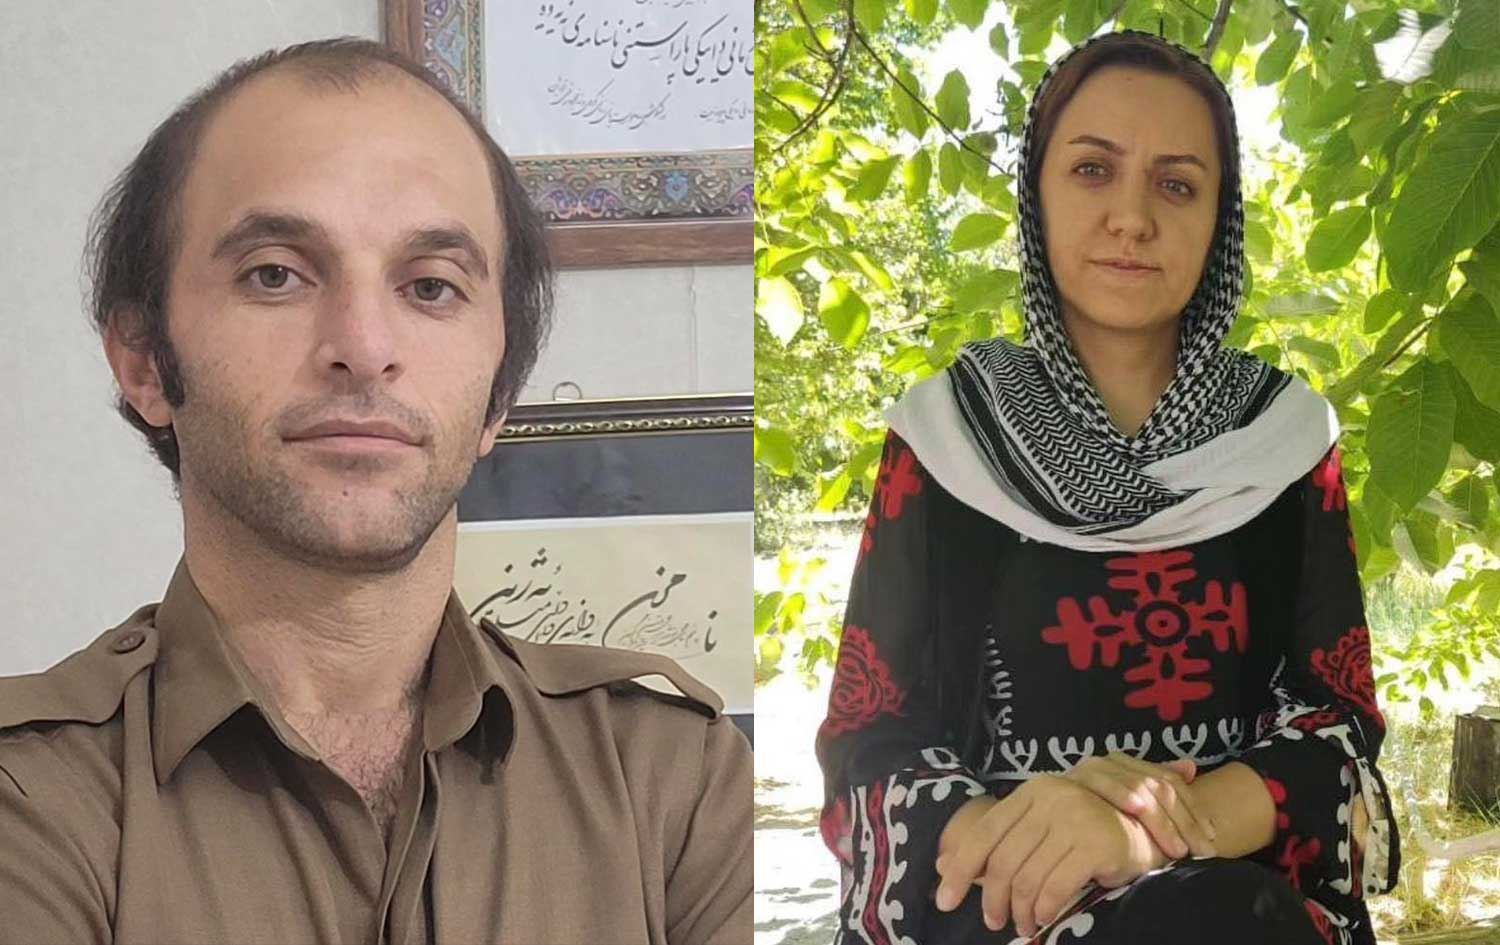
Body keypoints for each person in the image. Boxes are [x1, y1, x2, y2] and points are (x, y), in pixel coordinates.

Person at [0, 38, 750, 945]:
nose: (363, 346)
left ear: (500, 393)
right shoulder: (28, 797)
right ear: (144, 362)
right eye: (275, 274)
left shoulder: (677, 781)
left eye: (430, 286)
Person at [815, 30, 1399, 945]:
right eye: (1093, 171)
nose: (1132, 218)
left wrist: (1143, 833)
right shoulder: (947, 437)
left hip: (1242, 912)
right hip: (1002, 902)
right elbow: (871, 730)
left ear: (1220, 218)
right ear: (1037, 196)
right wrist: (1043, 843)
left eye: (1177, 184)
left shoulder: (1284, 441)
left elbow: (1339, 727)